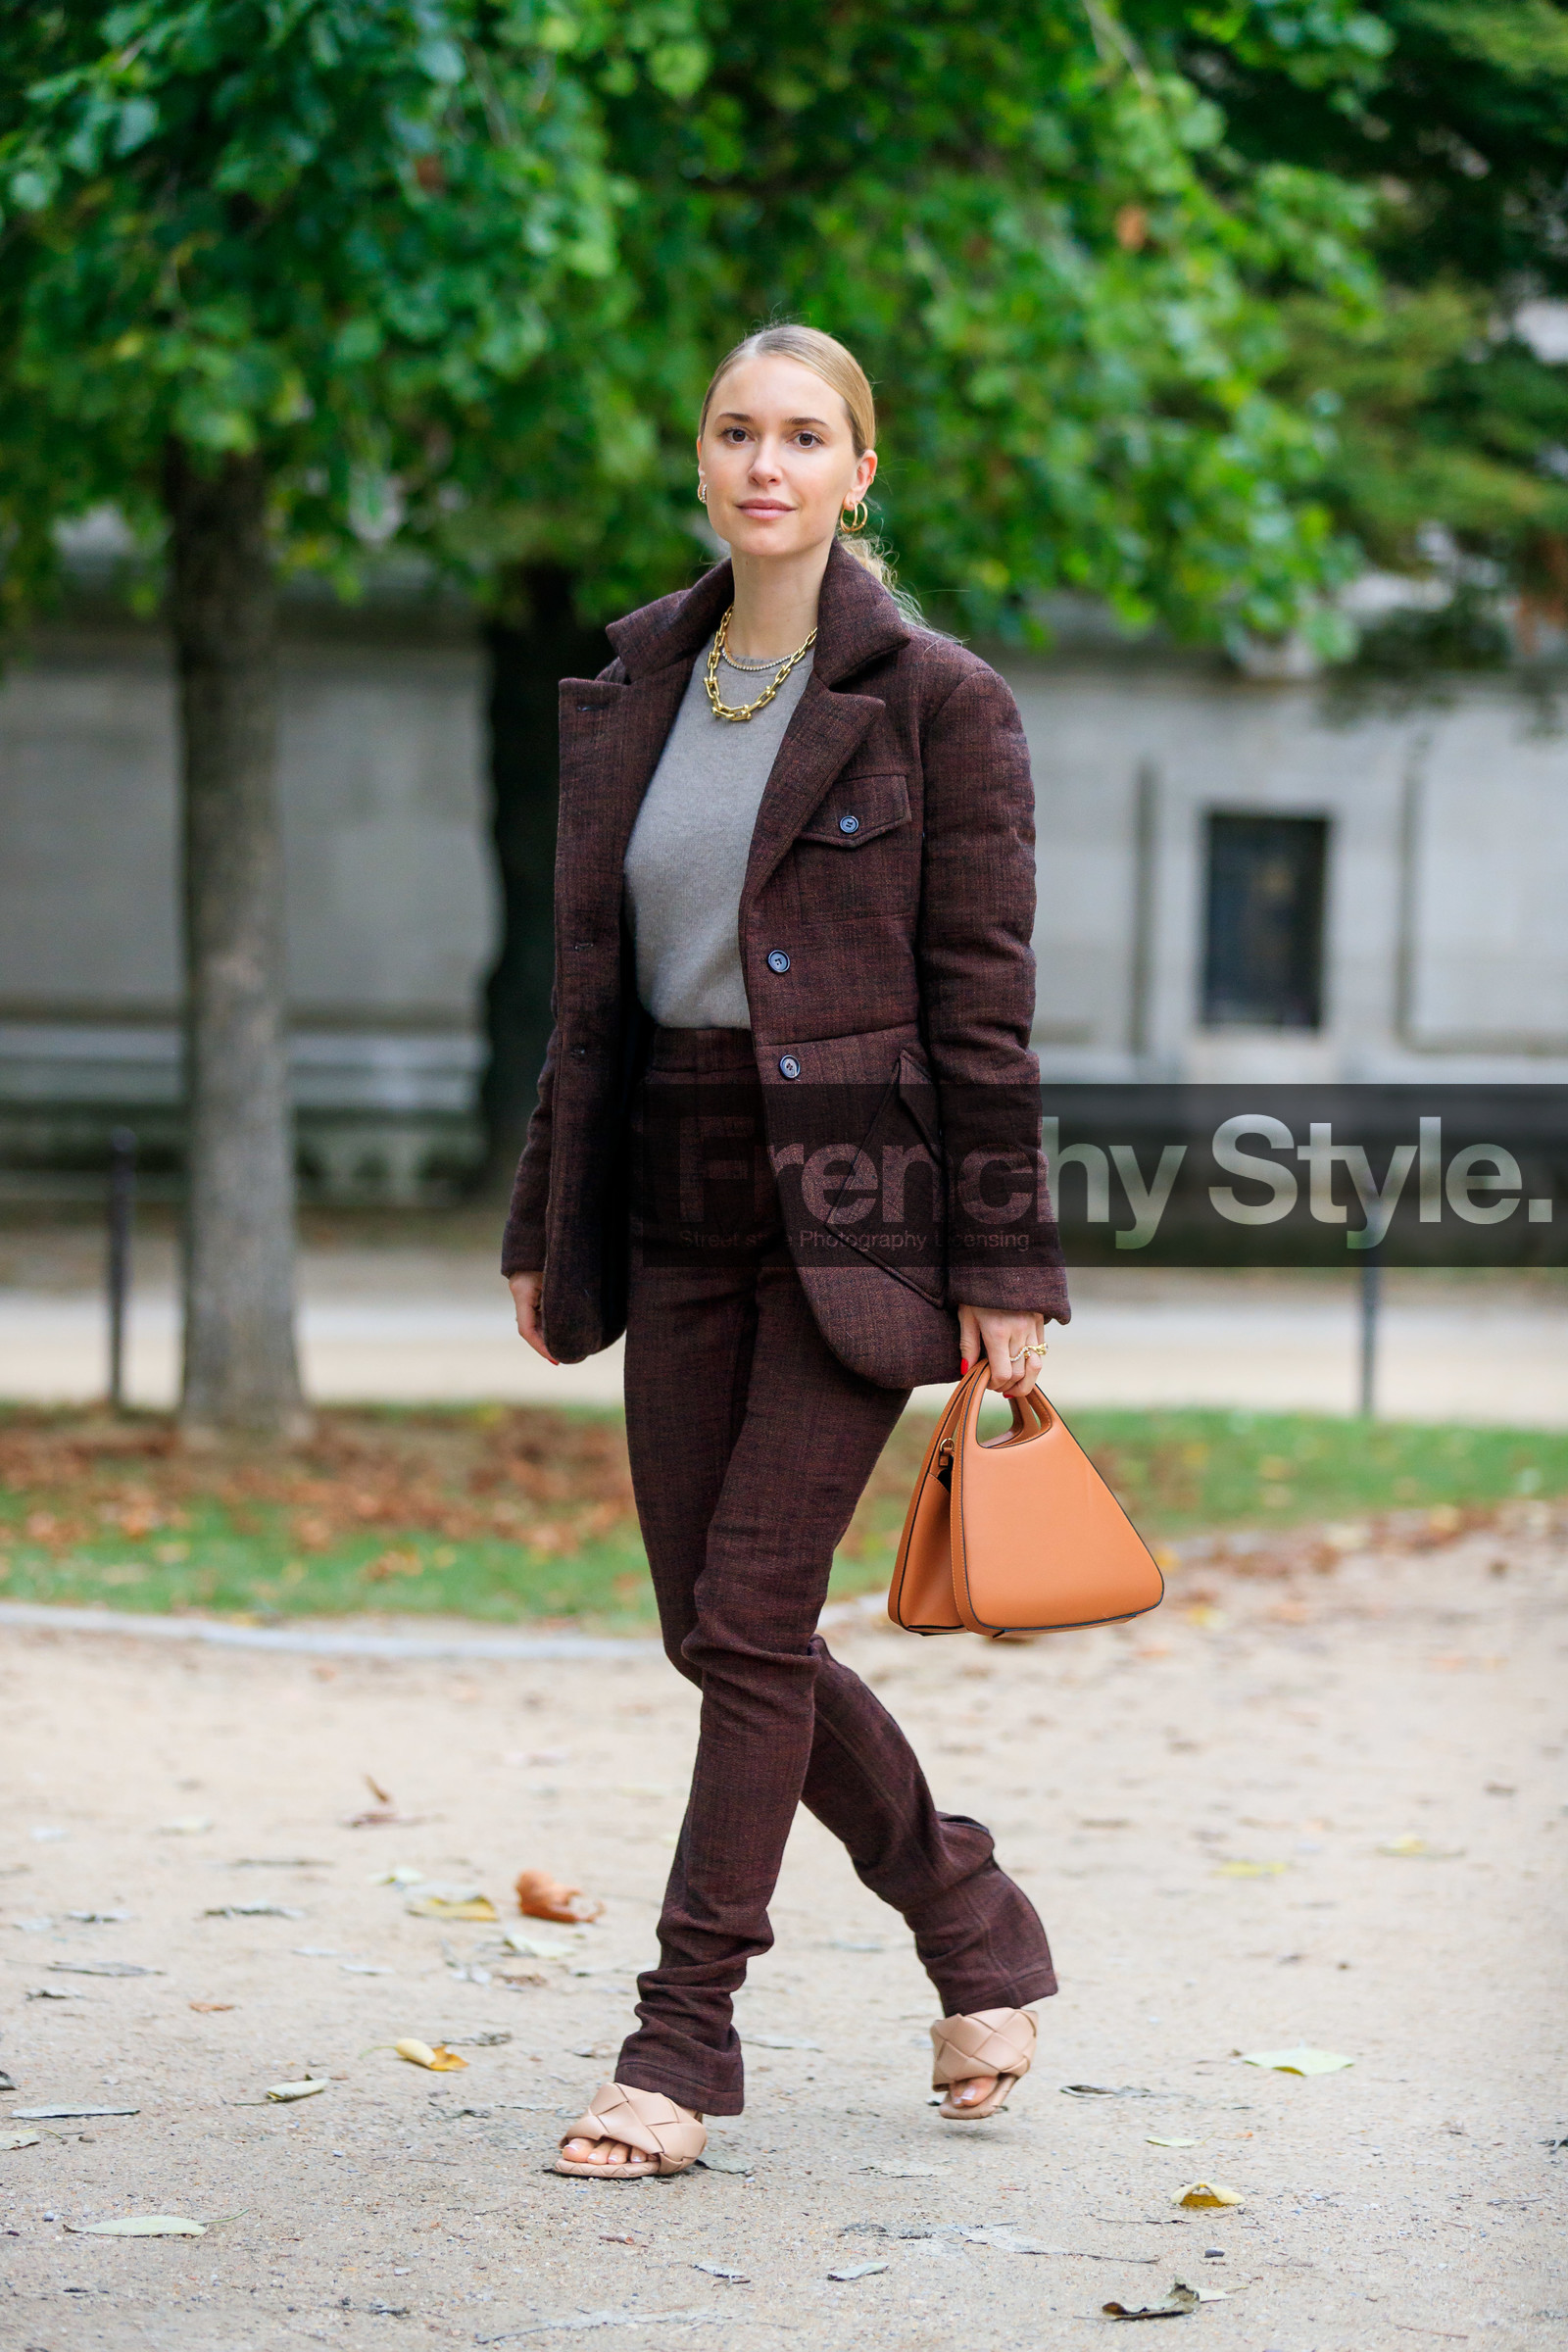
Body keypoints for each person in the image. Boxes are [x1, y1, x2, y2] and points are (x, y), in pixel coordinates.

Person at [504, 324, 1069, 2180]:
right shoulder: (634, 684)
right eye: (737, 431)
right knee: (709, 1626)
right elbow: (585, 994)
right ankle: (973, 1929)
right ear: (702, 461)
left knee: (750, 1617)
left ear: (858, 472)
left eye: (805, 436)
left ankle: (682, 2044)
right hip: (667, 1183)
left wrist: (1005, 1269)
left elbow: (983, 1012)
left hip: (853, 1196)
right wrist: (544, 1212)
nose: (768, 463)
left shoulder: (937, 702)